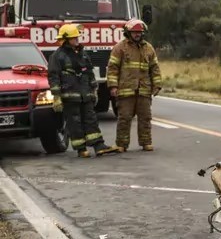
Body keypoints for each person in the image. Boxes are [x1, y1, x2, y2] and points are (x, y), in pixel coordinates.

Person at [47, 24, 119, 158]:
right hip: (70, 95)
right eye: (74, 38)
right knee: (74, 122)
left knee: (91, 119)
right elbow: (53, 76)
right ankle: (81, 148)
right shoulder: (57, 56)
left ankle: (98, 146)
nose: (77, 40)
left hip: (86, 94)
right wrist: (56, 97)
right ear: (66, 39)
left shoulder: (82, 53)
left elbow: (89, 72)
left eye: (77, 37)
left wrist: (94, 89)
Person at [107, 18, 162, 152]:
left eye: (139, 32)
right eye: (134, 32)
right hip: (126, 90)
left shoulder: (148, 48)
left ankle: (146, 142)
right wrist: (113, 86)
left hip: (144, 90)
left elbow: (154, 68)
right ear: (128, 32)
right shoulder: (120, 48)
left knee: (145, 118)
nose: (137, 34)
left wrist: (157, 85)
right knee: (124, 118)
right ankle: (121, 144)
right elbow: (112, 68)